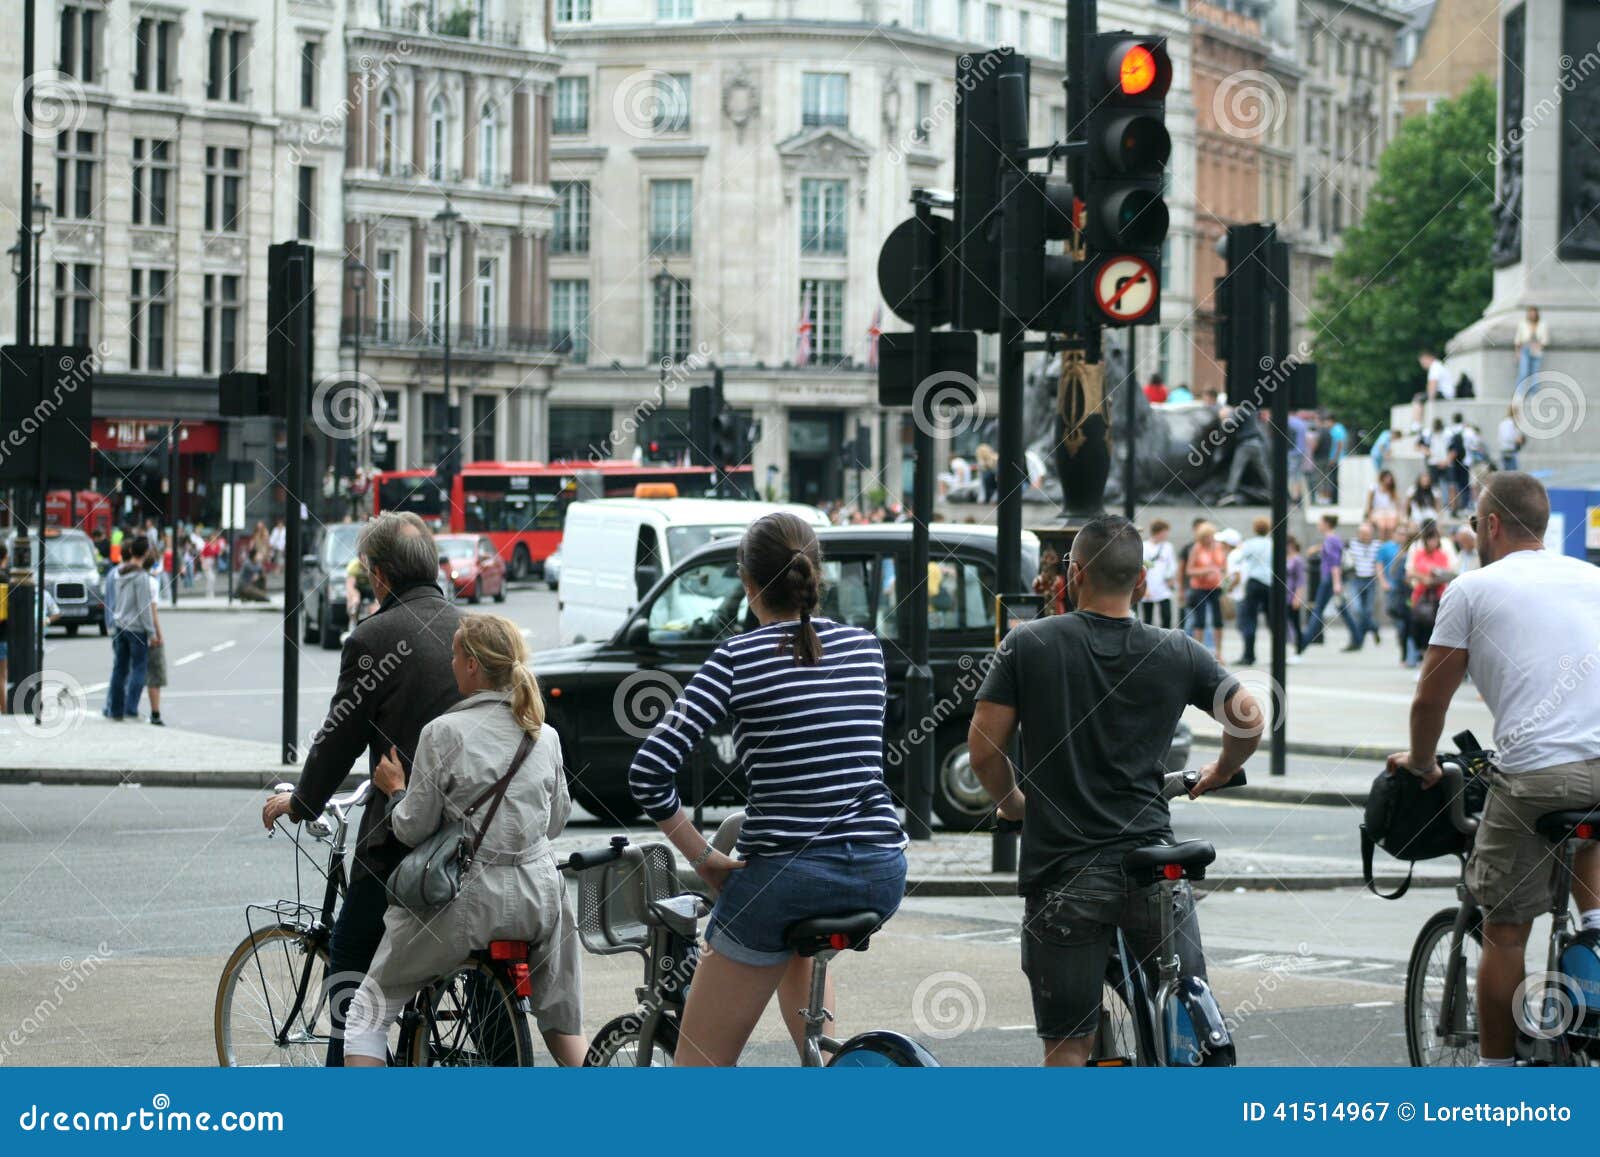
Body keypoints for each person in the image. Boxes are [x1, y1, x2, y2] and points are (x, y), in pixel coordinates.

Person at [967, 515, 1262, 1066]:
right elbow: (1248, 716)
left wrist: (1012, 804)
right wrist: (1220, 770)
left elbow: (984, 750)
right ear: (1143, 583)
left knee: (1069, 1044)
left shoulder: (1028, 644)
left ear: (1073, 575)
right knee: (1181, 1011)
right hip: (1154, 864)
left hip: (1065, 871)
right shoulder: (1178, 650)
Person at [627, 512, 907, 1067]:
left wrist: (703, 856)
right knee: (794, 948)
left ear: (747, 583)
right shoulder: (867, 649)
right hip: (880, 869)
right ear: (817, 575)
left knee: (698, 1067)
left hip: (786, 878)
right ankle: (828, 1066)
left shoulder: (736, 658)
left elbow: (649, 769)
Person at [1386, 473, 1600, 1068]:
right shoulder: (1594, 578)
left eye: (1477, 523)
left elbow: (1431, 700)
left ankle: (1496, 1073)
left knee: (1505, 930)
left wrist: (1423, 762)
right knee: (1590, 829)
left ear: (1493, 525)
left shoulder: (1471, 589)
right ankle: (1594, 936)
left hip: (1535, 775)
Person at [260, 512, 464, 1065]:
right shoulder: (468, 629)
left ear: (378, 576)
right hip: (475, 836)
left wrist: (301, 802)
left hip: (405, 840)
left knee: (349, 960)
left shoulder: (374, 638)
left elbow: (339, 739)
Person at [343, 614, 585, 1068]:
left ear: (472, 665)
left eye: (455, 654)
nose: (451, 663)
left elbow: (412, 827)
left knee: (366, 1014)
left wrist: (396, 789)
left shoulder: (442, 733)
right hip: (540, 900)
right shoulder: (544, 736)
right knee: (560, 1021)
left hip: (467, 902)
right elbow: (554, 823)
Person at [106, 536, 156, 721]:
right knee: (139, 669)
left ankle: (115, 710)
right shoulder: (141, 577)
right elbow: (144, 608)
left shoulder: (120, 573)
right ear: (145, 553)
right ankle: (131, 708)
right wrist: (152, 632)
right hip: (136, 629)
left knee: (119, 669)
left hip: (120, 626)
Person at [1404, 521, 1453, 664]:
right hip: (1420, 596)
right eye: (1429, 538)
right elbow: (1410, 572)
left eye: (1435, 538)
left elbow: (1446, 573)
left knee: (1434, 629)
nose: (1432, 541)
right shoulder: (1419, 554)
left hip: (1437, 596)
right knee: (1417, 627)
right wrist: (1424, 578)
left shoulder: (1442, 555)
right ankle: (1418, 657)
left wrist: (1429, 578)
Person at [1301, 514, 1349, 653]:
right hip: (1329, 578)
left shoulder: (1331, 540)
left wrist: (1336, 583)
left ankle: (1303, 643)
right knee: (1341, 608)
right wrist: (1317, 548)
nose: (1318, 525)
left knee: (1317, 611)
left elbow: (1335, 563)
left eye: (1320, 522)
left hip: (1329, 579)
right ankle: (1357, 636)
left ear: (1327, 524)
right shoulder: (1331, 540)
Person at [1229, 517, 1273, 666]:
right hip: (1270, 584)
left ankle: (1249, 655)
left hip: (1254, 583)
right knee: (1272, 620)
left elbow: (1238, 558)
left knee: (1250, 619)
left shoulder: (1250, 544)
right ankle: (1277, 654)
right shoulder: (1272, 544)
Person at [1183, 522, 1227, 658]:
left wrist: (1223, 577)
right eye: (1207, 537)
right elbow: (1189, 570)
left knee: (1218, 620)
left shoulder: (1219, 547)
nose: (1210, 539)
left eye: (1212, 536)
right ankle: (1198, 654)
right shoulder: (1197, 548)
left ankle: (1219, 652)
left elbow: (1224, 566)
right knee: (1200, 621)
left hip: (1216, 587)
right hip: (1200, 587)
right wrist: (1205, 571)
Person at [1342, 521, 1384, 652]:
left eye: (1368, 534)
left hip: (1370, 581)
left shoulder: (1377, 545)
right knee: (1357, 610)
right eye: (1363, 534)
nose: (1365, 536)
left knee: (1367, 611)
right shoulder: (1352, 544)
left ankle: (1358, 641)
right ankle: (1374, 628)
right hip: (1356, 579)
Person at [1218, 407, 1267, 506]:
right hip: (1257, 443)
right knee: (1264, 470)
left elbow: (1230, 424)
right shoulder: (1253, 409)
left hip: (1246, 444)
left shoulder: (1241, 409)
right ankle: (1275, 491)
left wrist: (1223, 418)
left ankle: (1229, 493)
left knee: (1236, 469)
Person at [142, 550, 167, 726]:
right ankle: (155, 713)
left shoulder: (120, 576)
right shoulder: (151, 582)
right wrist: (158, 634)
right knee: (154, 675)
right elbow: (153, 611)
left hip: (127, 630)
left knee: (130, 671)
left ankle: (127, 707)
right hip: (146, 631)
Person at [1139, 519, 1176, 629]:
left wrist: (1170, 579)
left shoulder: (1168, 547)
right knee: (1148, 618)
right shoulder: (1144, 546)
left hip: (1163, 587)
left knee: (1167, 616)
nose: (1167, 535)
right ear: (1159, 532)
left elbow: (1172, 565)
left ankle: (1166, 641)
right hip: (1148, 586)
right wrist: (1144, 587)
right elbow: (1141, 567)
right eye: (1165, 532)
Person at [1513, 305, 1548, 390]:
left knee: (1535, 374)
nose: (1532, 315)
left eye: (1534, 313)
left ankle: (1533, 394)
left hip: (1536, 349)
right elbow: (1518, 339)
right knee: (1523, 373)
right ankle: (1519, 393)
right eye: (1530, 313)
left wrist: (1539, 345)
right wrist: (1517, 352)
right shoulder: (1522, 324)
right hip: (1525, 349)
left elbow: (1545, 339)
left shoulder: (1542, 324)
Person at [1284, 535, 1306, 660]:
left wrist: (1297, 597)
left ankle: (1297, 650)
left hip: (1292, 596)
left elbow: (1300, 581)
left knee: (1295, 624)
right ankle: (1291, 648)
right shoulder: (1286, 558)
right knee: (1286, 624)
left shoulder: (1297, 560)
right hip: (1284, 596)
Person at [1365, 469, 1401, 536]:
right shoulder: (1374, 488)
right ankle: (1382, 543)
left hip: (1390, 512)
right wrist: (1368, 517)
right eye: (1386, 478)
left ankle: (1389, 543)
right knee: (1382, 525)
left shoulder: (1393, 491)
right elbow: (1369, 504)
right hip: (1377, 511)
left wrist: (1399, 516)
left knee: (1391, 525)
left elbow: (1397, 506)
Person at [1497, 404, 1526, 471]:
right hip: (1509, 450)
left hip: (1505, 449)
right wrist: (1517, 439)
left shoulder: (1504, 422)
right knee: (1512, 473)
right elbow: (1507, 436)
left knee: (1507, 472)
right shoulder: (1510, 423)